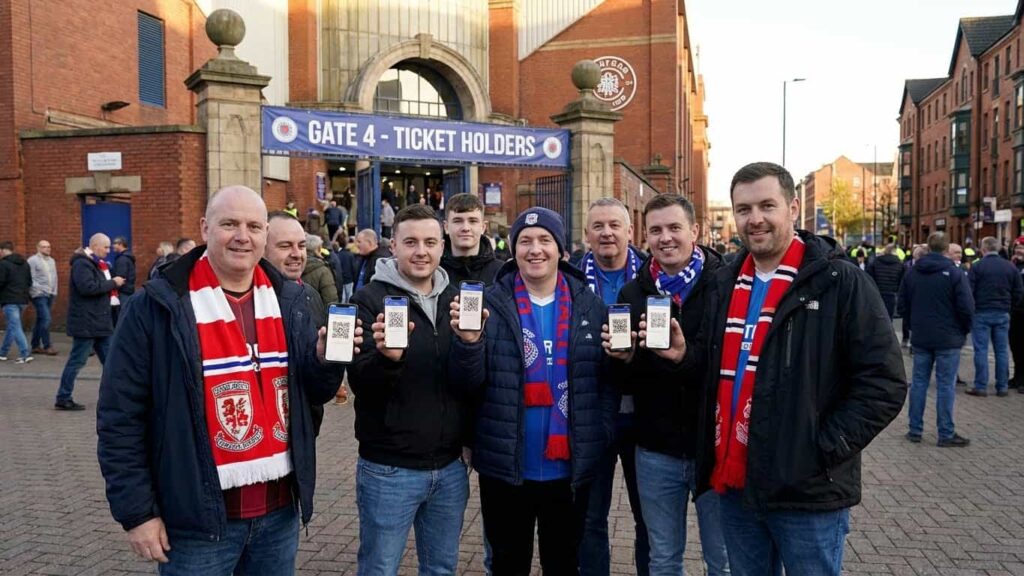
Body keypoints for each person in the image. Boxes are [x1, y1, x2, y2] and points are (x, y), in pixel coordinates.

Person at [97, 185, 355, 575]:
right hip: (199, 520)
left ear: (265, 234)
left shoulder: (292, 301)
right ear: (204, 228)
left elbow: (312, 396)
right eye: (229, 224)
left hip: (279, 511)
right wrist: (137, 513)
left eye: (253, 226)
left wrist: (322, 361)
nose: (242, 236)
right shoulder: (156, 306)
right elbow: (120, 416)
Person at [697, 162, 906, 575]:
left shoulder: (839, 281)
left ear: (793, 208)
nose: (754, 219)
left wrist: (821, 448)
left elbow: (884, 382)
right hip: (735, 481)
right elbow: (716, 373)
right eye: (743, 209)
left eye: (766, 205)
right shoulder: (722, 283)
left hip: (806, 490)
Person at [449, 206, 615, 575]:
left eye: (545, 240)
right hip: (506, 466)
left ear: (560, 250)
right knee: (509, 564)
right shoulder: (490, 303)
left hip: (569, 469)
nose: (535, 249)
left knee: (563, 564)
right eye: (525, 241)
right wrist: (468, 344)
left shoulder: (589, 305)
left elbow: (606, 381)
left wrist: (599, 432)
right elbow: (466, 383)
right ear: (513, 250)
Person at [604, 194, 729, 575]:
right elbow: (625, 381)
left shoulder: (724, 285)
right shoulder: (633, 293)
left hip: (714, 447)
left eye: (675, 228)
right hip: (656, 450)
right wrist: (621, 361)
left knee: (722, 561)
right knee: (663, 559)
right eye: (656, 230)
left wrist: (684, 357)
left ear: (695, 231)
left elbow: (731, 364)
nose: (665, 238)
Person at [347, 204, 469, 576]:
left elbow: (470, 380)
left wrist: (473, 345)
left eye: (431, 242)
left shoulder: (458, 299)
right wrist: (388, 359)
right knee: (379, 568)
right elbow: (361, 383)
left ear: (442, 246)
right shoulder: (368, 300)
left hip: (449, 468)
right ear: (393, 246)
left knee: (441, 568)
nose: (422, 251)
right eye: (411, 242)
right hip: (389, 469)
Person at [577, 197, 649, 576]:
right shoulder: (568, 276)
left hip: (645, 415)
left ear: (629, 231)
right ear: (587, 234)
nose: (607, 232)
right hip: (590, 412)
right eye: (598, 226)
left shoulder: (654, 276)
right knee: (590, 519)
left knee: (648, 521)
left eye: (614, 225)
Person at [899, 231, 973, 447]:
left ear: (929, 247)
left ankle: (914, 429)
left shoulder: (913, 273)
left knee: (919, 383)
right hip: (948, 337)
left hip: (922, 335)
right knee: (945, 385)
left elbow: (902, 304)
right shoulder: (954, 273)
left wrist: (913, 325)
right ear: (946, 248)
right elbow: (966, 307)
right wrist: (963, 329)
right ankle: (945, 433)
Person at [265, 211, 333, 432]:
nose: (297, 254)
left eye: (301, 246)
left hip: (304, 429)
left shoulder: (310, 295)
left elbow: (317, 382)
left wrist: (326, 361)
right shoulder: (252, 301)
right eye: (285, 246)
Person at [55, 233, 125, 410]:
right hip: (86, 323)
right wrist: (113, 283)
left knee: (111, 362)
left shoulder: (98, 265)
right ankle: (63, 397)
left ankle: (117, 398)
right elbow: (88, 288)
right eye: (106, 247)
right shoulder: (82, 264)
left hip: (100, 322)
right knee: (77, 361)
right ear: (94, 246)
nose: (108, 251)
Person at [965, 236, 1024, 397]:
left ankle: (981, 385)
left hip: (981, 312)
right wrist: (1009, 307)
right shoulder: (1010, 267)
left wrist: (973, 308)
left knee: (981, 350)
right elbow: (1018, 291)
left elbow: (969, 291)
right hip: (1003, 312)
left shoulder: (977, 267)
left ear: (983, 249)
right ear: (997, 249)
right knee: (1002, 351)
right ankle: (1002, 386)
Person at [441, 193, 503, 286]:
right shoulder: (434, 272)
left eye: (473, 221)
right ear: (446, 227)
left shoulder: (502, 273)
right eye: (457, 221)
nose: (465, 228)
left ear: (483, 227)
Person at [0, 241, 33, 363]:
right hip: (23, 299)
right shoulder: (24, 263)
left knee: (15, 327)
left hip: (9, 299)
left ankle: (25, 354)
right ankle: (3, 352)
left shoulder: (3, 264)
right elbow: (29, 281)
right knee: (12, 326)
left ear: (2, 250)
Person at [28, 239, 58, 356]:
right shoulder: (32, 260)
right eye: (45, 247)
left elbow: (54, 277)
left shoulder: (51, 261)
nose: (48, 249)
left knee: (41, 319)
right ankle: (47, 346)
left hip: (50, 293)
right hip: (39, 294)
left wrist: (54, 291)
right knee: (46, 319)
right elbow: (30, 278)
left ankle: (35, 345)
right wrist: (38, 290)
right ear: (38, 248)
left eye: (49, 247)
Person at [866, 243, 905, 320]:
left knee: (878, 317)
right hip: (892, 294)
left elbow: (869, 277)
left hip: (878, 293)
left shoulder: (876, 262)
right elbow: (902, 280)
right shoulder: (899, 264)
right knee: (889, 317)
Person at [302, 234, 339, 307]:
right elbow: (330, 299)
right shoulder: (323, 271)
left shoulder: (295, 267)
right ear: (317, 249)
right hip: (318, 315)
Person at [111, 237, 137, 326]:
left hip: (123, 292)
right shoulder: (127, 258)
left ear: (121, 244)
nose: (112, 246)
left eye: (115, 243)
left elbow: (120, 278)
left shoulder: (122, 259)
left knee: (122, 319)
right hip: (127, 291)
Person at [1010, 238, 1024, 390]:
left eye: (1021, 248)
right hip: (1015, 312)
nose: (1018, 251)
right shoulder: (1014, 266)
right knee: (1016, 346)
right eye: (1017, 248)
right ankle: (1017, 377)